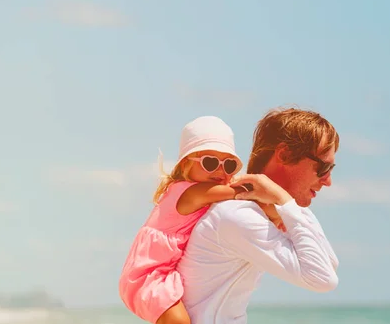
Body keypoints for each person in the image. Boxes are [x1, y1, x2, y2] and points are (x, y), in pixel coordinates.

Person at [177, 106, 340, 323]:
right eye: (322, 169)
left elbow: (329, 262)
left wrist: (286, 204)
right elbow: (322, 279)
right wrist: (284, 201)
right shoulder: (237, 214)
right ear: (284, 154)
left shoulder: (262, 211)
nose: (327, 181)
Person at [118, 116, 284, 324]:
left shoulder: (198, 193)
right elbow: (241, 192)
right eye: (210, 162)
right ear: (186, 164)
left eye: (229, 165)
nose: (220, 171)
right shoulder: (191, 192)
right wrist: (276, 206)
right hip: (147, 276)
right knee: (179, 321)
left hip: (164, 273)